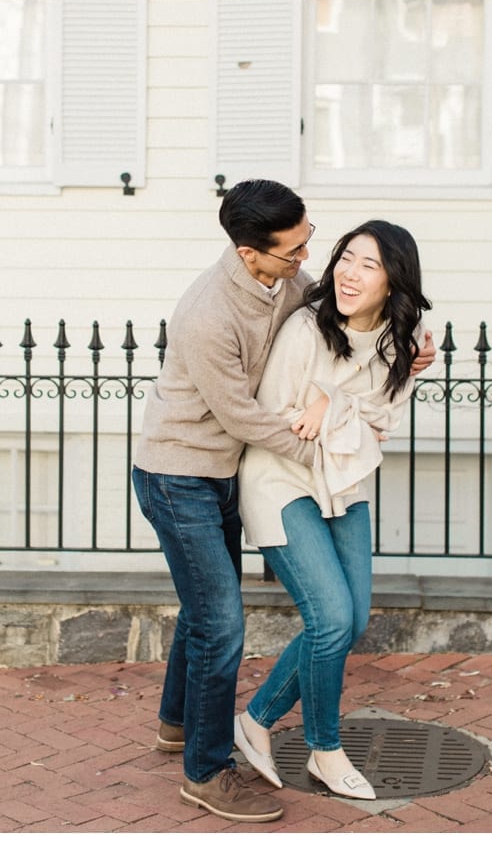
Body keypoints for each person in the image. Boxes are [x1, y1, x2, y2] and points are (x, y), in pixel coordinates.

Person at [130, 180, 434, 824]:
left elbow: (358, 346)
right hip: (180, 469)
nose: (311, 262)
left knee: (202, 609)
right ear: (250, 255)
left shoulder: (293, 285)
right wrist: (328, 440)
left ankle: (175, 725)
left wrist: (409, 351)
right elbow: (248, 418)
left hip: (235, 470)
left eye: (310, 243)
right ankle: (207, 772)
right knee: (220, 621)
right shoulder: (207, 315)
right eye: (294, 251)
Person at [232, 221, 430, 801]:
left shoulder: (403, 340)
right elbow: (273, 421)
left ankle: (255, 719)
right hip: (282, 480)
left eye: (368, 264)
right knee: (332, 619)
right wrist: (336, 412)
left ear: (394, 279)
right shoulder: (304, 329)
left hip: (344, 484)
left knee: (354, 617)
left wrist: (331, 399)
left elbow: (383, 423)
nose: (348, 272)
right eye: (345, 258)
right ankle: (324, 748)